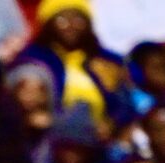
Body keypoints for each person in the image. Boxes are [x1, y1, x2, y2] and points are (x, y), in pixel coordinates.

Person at [10, 0, 134, 129]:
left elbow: (127, 103)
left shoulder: (105, 60)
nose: (70, 26)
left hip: (102, 135)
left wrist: (112, 123)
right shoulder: (33, 59)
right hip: (48, 134)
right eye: (61, 20)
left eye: (78, 19)